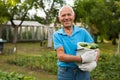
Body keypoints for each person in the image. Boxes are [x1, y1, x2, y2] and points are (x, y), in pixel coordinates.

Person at [52, 5, 100, 80]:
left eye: (69, 14)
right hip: (65, 72)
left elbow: (96, 49)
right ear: (59, 19)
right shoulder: (57, 35)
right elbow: (61, 56)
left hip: (82, 71)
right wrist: (81, 59)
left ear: (73, 16)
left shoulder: (83, 32)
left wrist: (94, 62)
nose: (66, 18)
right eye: (63, 15)